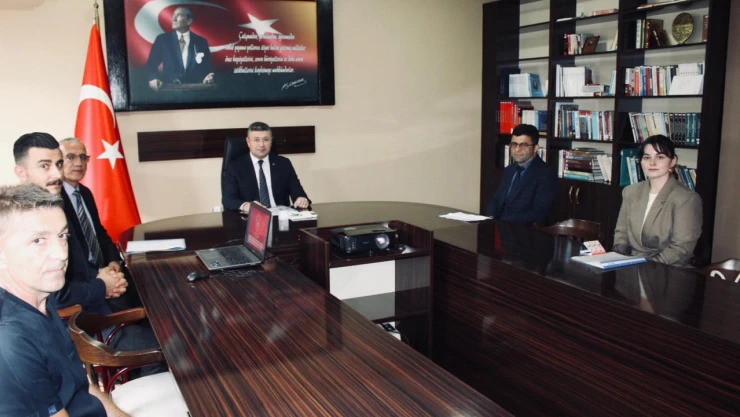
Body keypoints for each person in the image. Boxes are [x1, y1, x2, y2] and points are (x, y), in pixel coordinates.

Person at [13, 132, 164, 378]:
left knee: (162, 319)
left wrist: (106, 275)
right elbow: (58, 297)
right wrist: (102, 285)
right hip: (73, 326)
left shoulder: (51, 211)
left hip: (91, 307)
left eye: (58, 164)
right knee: (167, 346)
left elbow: (90, 251)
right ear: (21, 173)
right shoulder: (26, 225)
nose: (56, 173)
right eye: (44, 166)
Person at [0, 183, 130, 417]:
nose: (62, 253)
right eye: (38, 240)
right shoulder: (9, 340)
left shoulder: (41, 299)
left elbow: (82, 386)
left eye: (62, 236)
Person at [59, 138, 141, 310]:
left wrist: (113, 260)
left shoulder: (85, 193)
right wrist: (99, 276)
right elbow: (70, 253)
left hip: (103, 268)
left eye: (83, 157)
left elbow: (98, 232)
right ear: (59, 161)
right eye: (71, 157)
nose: (78, 163)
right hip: (81, 280)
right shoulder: (55, 200)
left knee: (143, 285)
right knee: (128, 304)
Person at [613, 135, 702, 267]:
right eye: (647, 157)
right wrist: (620, 258)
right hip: (629, 266)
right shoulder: (630, 192)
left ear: (673, 161)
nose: (652, 163)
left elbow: (681, 250)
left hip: (666, 269)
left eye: (660, 157)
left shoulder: (686, 198)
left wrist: (645, 265)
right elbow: (621, 233)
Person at [222, 121, 311, 212]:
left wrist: (301, 198)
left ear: (271, 141)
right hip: (251, 217)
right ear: (248, 142)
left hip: (281, 216)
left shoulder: (283, 163)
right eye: (256, 140)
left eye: (266, 139)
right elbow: (228, 200)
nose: (261, 144)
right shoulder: (235, 167)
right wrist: (246, 206)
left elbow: (296, 189)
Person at [485, 124, 558, 224]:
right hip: (498, 226)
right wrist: (491, 218)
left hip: (522, 230)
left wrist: (503, 222)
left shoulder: (546, 174)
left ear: (536, 148)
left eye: (523, 145)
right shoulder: (509, 170)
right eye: (514, 144)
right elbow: (496, 199)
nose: (517, 149)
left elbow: (539, 213)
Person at [145, 6, 214, 91]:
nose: (174, 19)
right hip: (170, 90)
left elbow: (206, 68)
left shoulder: (201, 42)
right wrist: (153, 78)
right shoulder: (162, 40)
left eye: (179, 15)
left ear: (189, 21)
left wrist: (207, 77)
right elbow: (151, 64)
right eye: (173, 15)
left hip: (195, 90)